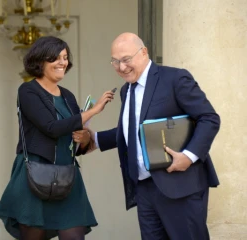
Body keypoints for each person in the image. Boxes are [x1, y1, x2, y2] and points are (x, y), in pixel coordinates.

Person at [88, 32, 220, 239]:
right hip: (144, 188)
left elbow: (209, 118)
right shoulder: (126, 90)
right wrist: (95, 139)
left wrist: (189, 156)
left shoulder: (175, 78)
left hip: (180, 184)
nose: (121, 67)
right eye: (115, 61)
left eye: (126, 59)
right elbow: (135, 130)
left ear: (144, 52)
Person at [0, 36, 115, 240]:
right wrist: (94, 111)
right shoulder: (27, 90)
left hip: (68, 174)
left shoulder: (68, 96)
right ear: (40, 60)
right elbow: (52, 128)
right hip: (35, 173)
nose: (62, 62)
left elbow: (77, 143)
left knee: (74, 234)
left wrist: (84, 137)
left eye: (65, 57)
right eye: (55, 58)